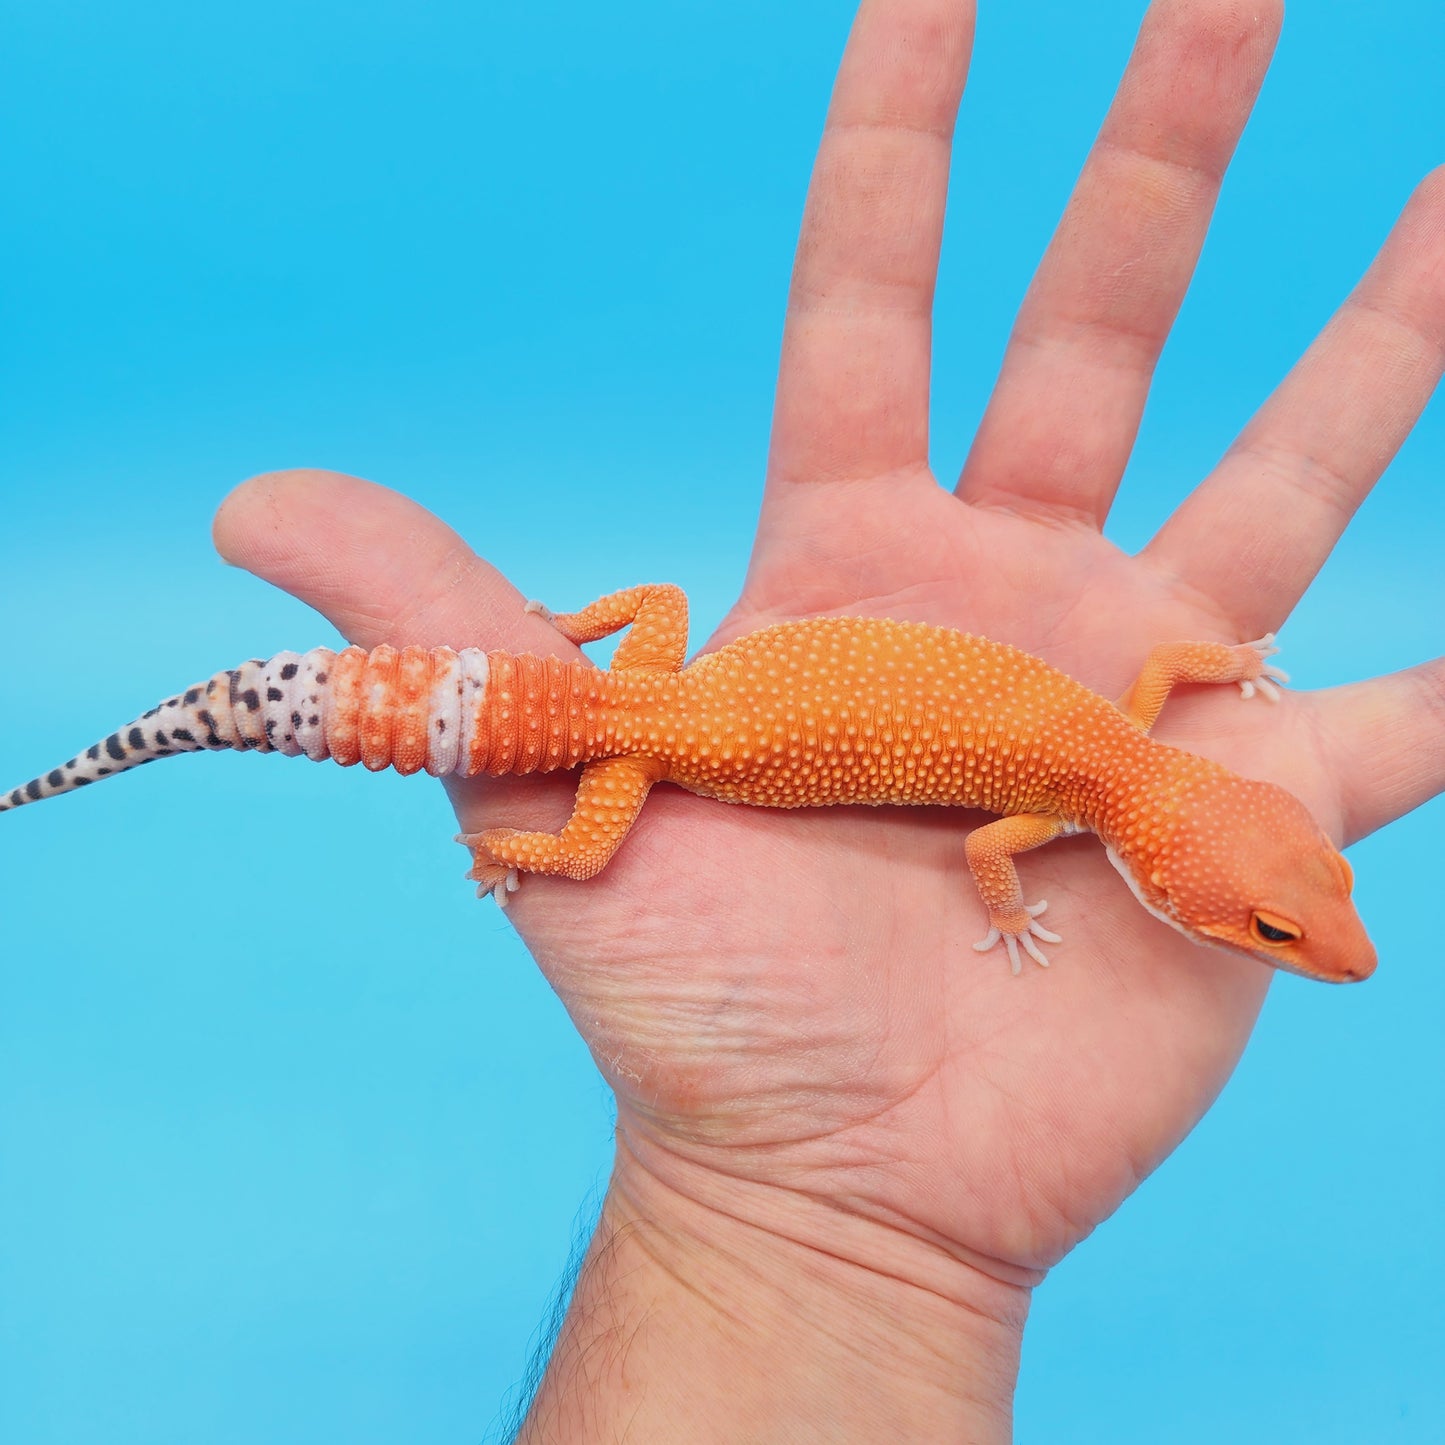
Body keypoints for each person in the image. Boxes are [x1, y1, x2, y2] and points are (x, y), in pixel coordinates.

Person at [213, 0, 1444, 1437]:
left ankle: (505, 709)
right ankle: (519, 851)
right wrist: (525, 852)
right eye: (1276, 928)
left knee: (660, 604)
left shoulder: (1130, 742)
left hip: (658, 682)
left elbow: (1168, 667)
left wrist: (1221, 659)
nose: (1314, 950)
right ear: (1170, 875)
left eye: (1288, 917)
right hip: (652, 738)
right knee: (583, 847)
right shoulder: (1062, 811)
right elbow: (991, 850)